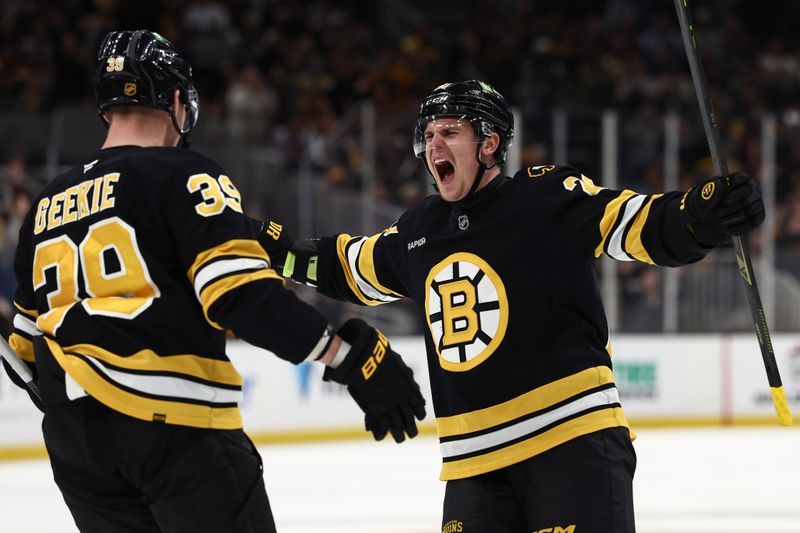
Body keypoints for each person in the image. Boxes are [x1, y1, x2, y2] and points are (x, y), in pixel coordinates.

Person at [255, 80, 765, 532]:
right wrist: (265, 244)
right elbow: (345, 265)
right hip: (472, 467)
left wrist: (699, 213)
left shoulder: (545, 198)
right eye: (428, 135)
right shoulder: (416, 232)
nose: (434, 145)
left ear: (490, 142)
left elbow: (639, 224)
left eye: (449, 131)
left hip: (569, 445)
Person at [1, 30, 425, 533]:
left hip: (78, 453)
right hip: (174, 430)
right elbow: (240, 297)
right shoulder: (186, 174)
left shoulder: (45, 205)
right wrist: (349, 358)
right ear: (177, 100)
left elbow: (23, 349)